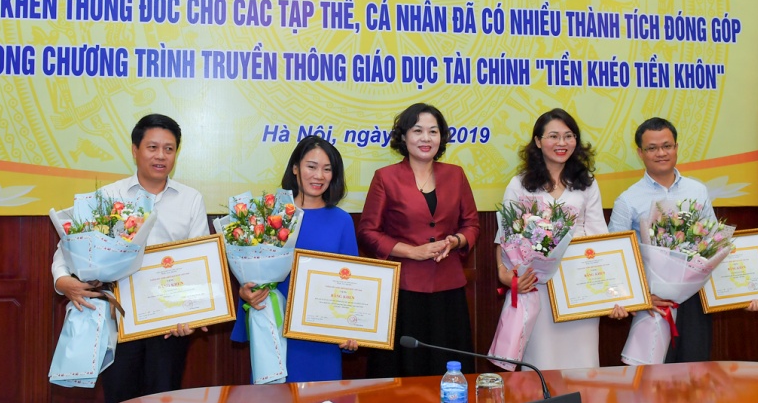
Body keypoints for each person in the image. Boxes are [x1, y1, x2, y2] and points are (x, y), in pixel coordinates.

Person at [51, 113, 209, 403]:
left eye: (169, 148)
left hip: (169, 323)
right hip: (119, 320)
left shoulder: (191, 199)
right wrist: (63, 282)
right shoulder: (108, 196)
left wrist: (194, 313)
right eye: (152, 147)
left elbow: (200, 262)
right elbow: (67, 248)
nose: (161, 155)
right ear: (135, 150)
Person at [607, 117, 758, 363]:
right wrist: (637, 298)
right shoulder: (628, 200)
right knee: (653, 377)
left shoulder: (697, 190)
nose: (661, 153)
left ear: (676, 147)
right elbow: (615, 256)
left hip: (695, 301)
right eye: (652, 148)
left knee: (694, 375)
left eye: (667, 146)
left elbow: (715, 246)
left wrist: (743, 292)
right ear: (640, 153)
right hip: (655, 303)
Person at [496, 108, 626, 370]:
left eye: (569, 136)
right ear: (538, 141)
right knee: (541, 362)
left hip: (580, 286)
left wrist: (614, 292)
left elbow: (599, 235)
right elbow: (506, 236)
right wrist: (504, 274)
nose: (562, 143)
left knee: (582, 364)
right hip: (537, 286)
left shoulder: (587, 183)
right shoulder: (519, 184)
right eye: (553, 136)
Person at [359, 103, 479, 377]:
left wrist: (456, 241)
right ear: (403, 136)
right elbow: (368, 231)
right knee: (405, 369)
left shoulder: (456, 175)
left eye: (433, 131)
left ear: (441, 137)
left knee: (448, 367)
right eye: (418, 131)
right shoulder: (385, 178)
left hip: (449, 291)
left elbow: (472, 224)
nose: (426, 138)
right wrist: (412, 252)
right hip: (404, 290)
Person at [231, 136, 360, 382]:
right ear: (295, 168)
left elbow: (351, 283)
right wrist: (246, 294)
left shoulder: (342, 221)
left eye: (327, 169)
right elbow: (251, 271)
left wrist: (351, 330)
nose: (319, 176)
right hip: (272, 329)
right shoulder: (270, 217)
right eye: (311, 166)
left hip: (321, 337)